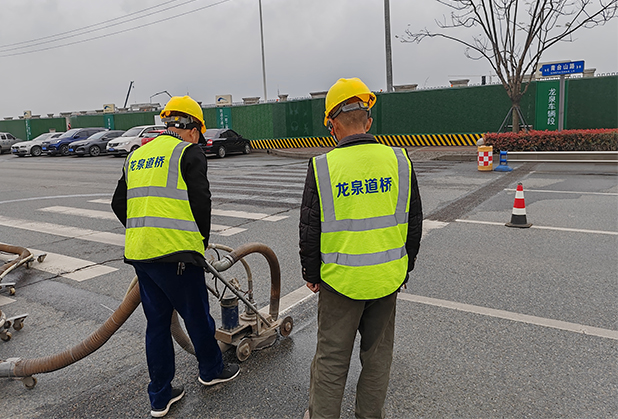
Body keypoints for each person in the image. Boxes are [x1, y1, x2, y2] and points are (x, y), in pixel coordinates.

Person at [299, 78, 423, 419]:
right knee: (378, 358)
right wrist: (404, 268)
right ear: (368, 121)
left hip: (341, 283)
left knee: (331, 359)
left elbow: (310, 228)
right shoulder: (399, 161)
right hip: (386, 280)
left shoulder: (322, 166)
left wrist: (311, 274)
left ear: (333, 125)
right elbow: (414, 223)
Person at [111, 95, 240, 418]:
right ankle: (210, 370)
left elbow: (118, 204)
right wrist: (200, 241)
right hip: (178, 253)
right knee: (197, 316)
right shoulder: (188, 152)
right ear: (193, 128)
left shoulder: (138, 154)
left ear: (168, 124)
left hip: (141, 253)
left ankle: (160, 395)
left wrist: (144, 228)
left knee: (157, 325)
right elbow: (201, 202)